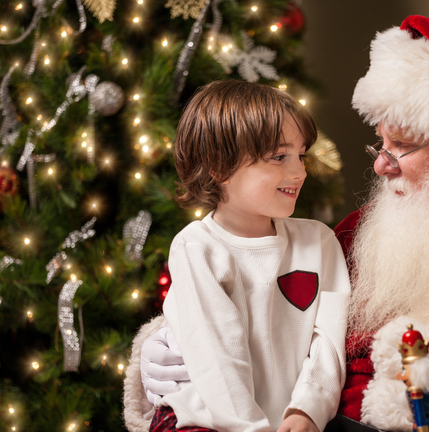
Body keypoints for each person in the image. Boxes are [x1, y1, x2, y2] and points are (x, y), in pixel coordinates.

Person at [126, 16, 429, 432]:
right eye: (380, 143)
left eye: (404, 146)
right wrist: (169, 340)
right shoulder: (360, 232)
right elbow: (262, 314)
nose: (381, 164)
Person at [124, 80, 351, 432]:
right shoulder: (198, 247)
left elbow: (329, 341)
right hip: (209, 422)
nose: (299, 172)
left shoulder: (320, 242)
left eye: (301, 155)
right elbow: (218, 362)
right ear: (219, 167)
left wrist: (307, 410)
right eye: (279, 157)